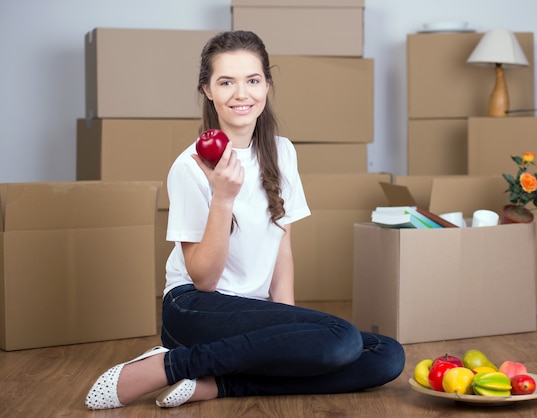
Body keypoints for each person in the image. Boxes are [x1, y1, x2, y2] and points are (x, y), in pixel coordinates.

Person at [85, 30, 405, 410]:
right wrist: (223, 197)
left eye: (253, 80)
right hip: (195, 309)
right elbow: (203, 279)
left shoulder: (282, 152)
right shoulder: (190, 167)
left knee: (386, 355)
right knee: (343, 339)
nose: (242, 94)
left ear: (267, 84)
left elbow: (281, 243)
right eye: (226, 82)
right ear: (207, 89)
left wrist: (290, 321)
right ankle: (170, 364)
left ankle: (216, 385)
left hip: (252, 314)